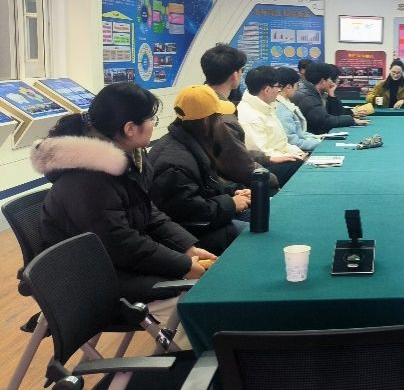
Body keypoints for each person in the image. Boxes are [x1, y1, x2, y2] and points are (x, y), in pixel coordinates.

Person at [30, 83, 214, 348]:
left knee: (198, 287)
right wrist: (183, 266)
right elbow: (121, 243)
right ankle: (189, 365)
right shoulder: (89, 180)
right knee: (196, 302)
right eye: (151, 118)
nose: (154, 124)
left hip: (113, 265)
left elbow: (148, 213)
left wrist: (187, 247)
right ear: (130, 129)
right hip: (87, 281)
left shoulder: (127, 160)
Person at [149, 85, 249, 254]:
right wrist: (231, 204)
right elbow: (188, 212)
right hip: (193, 236)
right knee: (255, 232)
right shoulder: (174, 164)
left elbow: (207, 186)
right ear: (206, 121)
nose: (221, 123)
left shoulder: (188, 144)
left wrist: (234, 192)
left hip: (207, 221)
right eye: (218, 117)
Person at [199, 44, 280, 189]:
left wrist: (266, 158)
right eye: (241, 71)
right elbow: (239, 164)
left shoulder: (199, 101)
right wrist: (273, 180)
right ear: (235, 75)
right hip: (227, 185)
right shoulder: (221, 114)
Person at [238, 66, 307, 186]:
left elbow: (281, 143)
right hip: (261, 169)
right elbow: (260, 154)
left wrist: (297, 152)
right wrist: (289, 156)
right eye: (277, 86)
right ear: (267, 90)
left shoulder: (267, 107)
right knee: (298, 166)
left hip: (277, 158)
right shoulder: (250, 116)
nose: (279, 91)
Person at [294, 62, 369, 134]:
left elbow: (336, 114)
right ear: (323, 81)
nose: (332, 82)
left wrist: (331, 95)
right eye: (330, 79)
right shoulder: (308, 97)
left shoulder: (312, 92)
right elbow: (325, 121)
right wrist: (351, 120)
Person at [274, 66, 323, 152]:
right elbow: (293, 142)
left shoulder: (285, 104)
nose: (298, 88)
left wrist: (318, 138)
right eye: (297, 85)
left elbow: (300, 133)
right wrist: (320, 144)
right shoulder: (282, 111)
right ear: (289, 87)